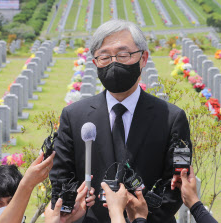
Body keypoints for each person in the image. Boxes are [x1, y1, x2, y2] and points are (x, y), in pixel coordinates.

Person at [50, 19, 191, 223]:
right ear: (95, 63)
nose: (114, 63)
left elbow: (175, 184)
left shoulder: (170, 117)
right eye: (105, 57)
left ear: (143, 58)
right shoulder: (74, 116)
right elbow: (61, 177)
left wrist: (140, 219)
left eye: (123, 55)